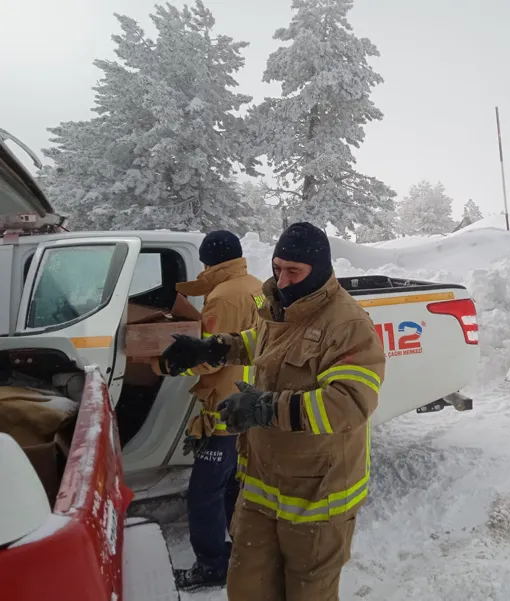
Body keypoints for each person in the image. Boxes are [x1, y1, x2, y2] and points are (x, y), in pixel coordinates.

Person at [158, 221, 385, 601]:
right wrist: (215, 347)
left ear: (320, 270)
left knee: (307, 593)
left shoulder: (348, 325)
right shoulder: (281, 306)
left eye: (293, 271)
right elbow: (264, 343)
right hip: (263, 484)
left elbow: (349, 403)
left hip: (317, 494)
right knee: (248, 585)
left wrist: (265, 409)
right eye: (277, 268)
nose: (282, 280)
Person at [151, 229, 263, 591]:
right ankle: (242, 552)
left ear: (211, 261)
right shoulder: (254, 285)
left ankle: (213, 565)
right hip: (248, 401)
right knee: (231, 486)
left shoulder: (223, 296)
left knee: (204, 493)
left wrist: (164, 365)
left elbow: (213, 356)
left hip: (225, 407)